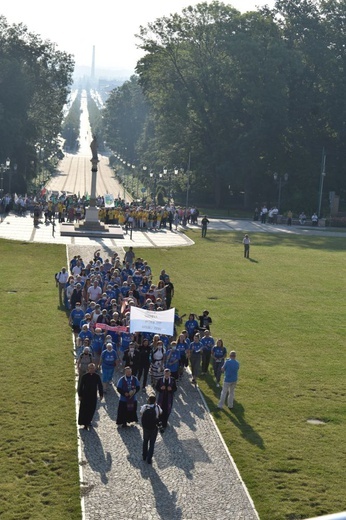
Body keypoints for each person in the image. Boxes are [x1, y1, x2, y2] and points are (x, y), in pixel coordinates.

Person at [78, 363, 103, 430]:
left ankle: (89, 421)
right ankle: (84, 423)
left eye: (93, 368)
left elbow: (100, 385)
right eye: (90, 368)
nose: (91, 370)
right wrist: (80, 395)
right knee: (84, 409)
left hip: (93, 395)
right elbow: (80, 386)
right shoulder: (84, 376)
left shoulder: (97, 376)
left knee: (91, 409)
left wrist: (101, 394)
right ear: (88, 369)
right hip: (85, 395)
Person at [140, 395, 162, 465]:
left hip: (146, 427)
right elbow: (160, 413)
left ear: (148, 400)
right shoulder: (157, 407)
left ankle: (144, 455)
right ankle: (149, 458)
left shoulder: (145, 407)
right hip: (154, 427)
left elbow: (141, 413)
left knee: (145, 441)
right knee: (152, 443)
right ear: (155, 401)